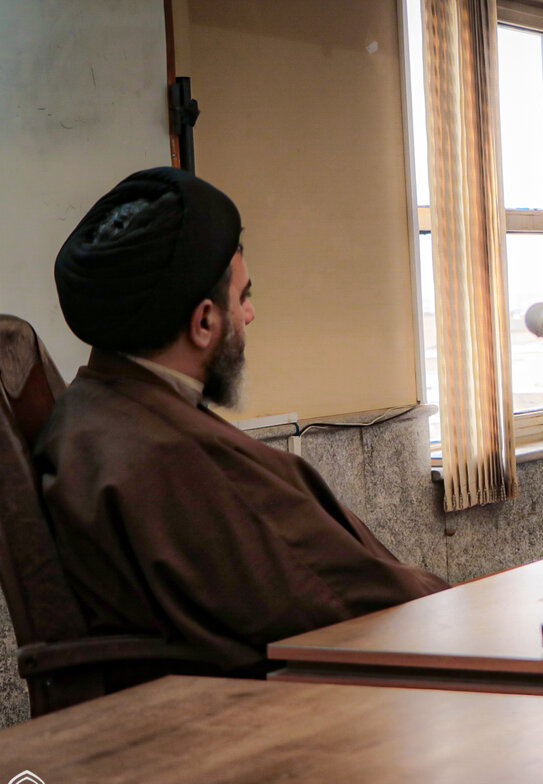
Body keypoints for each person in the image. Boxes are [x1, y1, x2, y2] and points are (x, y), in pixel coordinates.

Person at [35, 167, 448, 673]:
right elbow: (353, 604)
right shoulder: (176, 458)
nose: (249, 315)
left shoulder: (94, 411)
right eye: (243, 297)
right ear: (204, 321)